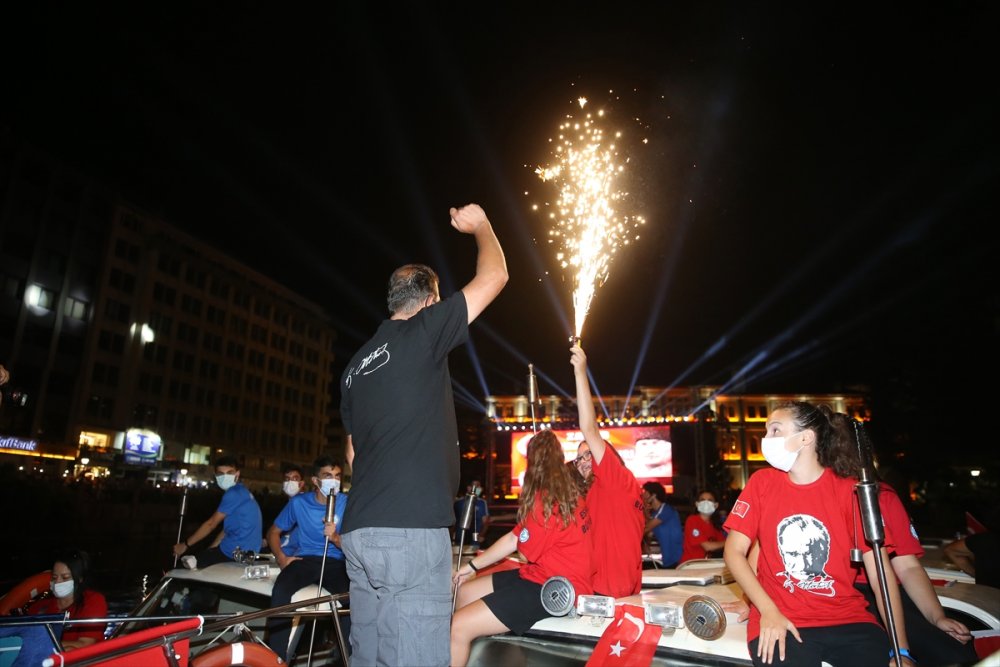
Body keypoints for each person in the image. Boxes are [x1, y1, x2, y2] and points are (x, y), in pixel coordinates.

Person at [339, 203, 507, 667]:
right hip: (409, 531)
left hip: (360, 532)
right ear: (430, 300)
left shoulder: (355, 367)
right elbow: (494, 277)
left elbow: (353, 451)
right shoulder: (422, 332)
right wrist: (482, 227)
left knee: (369, 657)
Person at [723, 401, 912, 667]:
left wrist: (901, 652)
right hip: (781, 620)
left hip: (850, 621)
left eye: (775, 430)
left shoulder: (851, 491)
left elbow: (881, 575)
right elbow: (733, 551)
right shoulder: (762, 483)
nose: (767, 439)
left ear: (806, 437)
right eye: (767, 431)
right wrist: (767, 611)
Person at [450, 429, 593, 667]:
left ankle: (467, 639)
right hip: (539, 575)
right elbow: (513, 538)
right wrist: (471, 566)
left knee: (457, 626)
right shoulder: (568, 492)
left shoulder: (546, 500)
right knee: (464, 592)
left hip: (554, 588)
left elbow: (526, 553)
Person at [570, 343, 645, 597]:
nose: (583, 462)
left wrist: (581, 372)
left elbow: (589, 429)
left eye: (588, 453)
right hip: (597, 591)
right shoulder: (594, 493)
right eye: (578, 459)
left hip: (612, 593)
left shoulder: (617, 480)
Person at [265, 457, 349, 663]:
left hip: (336, 561)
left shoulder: (348, 503)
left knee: (352, 599)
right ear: (315, 480)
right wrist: (282, 558)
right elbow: (273, 533)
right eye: (328, 476)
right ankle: (276, 659)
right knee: (281, 590)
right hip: (306, 559)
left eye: (337, 476)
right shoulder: (299, 503)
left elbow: (358, 544)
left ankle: (350, 658)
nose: (334, 481)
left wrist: (336, 538)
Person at [173, 455, 263, 568]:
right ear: (216, 476)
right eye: (221, 474)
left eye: (229, 473)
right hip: (245, 551)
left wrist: (185, 545)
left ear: (237, 474)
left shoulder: (233, 494)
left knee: (185, 568)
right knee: (202, 559)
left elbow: (211, 524)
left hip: (235, 552)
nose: (225, 477)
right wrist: (212, 549)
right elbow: (226, 530)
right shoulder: (242, 491)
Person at [27, 549, 108, 650]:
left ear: (79, 578)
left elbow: (85, 644)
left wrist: (42, 644)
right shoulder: (38, 607)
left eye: (65, 578)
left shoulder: (93, 601)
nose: (58, 582)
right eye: (54, 577)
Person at [944, 517, 1000, 590]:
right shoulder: (986, 539)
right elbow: (951, 550)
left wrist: (975, 573)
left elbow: (951, 550)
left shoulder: (985, 539)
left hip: (984, 596)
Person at [642, 481, 683, 568]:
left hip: (677, 559)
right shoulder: (656, 514)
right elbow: (649, 534)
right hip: (668, 559)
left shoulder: (666, 510)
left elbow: (646, 528)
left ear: (653, 495)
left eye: (645, 492)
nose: (643, 494)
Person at [679, 490, 727, 564]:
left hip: (705, 565)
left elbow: (724, 543)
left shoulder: (714, 527)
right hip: (690, 566)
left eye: (710, 500)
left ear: (716, 505)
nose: (706, 503)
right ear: (697, 504)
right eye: (702, 500)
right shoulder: (692, 520)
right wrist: (728, 542)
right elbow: (708, 546)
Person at [277, 463, 307, 557]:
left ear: (301, 483)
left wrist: (277, 546)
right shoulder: (290, 503)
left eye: (294, 478)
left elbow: (295, 536)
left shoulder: (302, 504)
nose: (290, 482)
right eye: (287, 479)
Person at [454, 478, 490, 550]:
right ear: (469, 488)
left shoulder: (482, 503)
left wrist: (481, 535)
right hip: (459, 539)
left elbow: (486, 522)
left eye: (479, 486)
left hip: (475, 541)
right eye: (475, 486)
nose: (478, 489)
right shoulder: (458, 502)